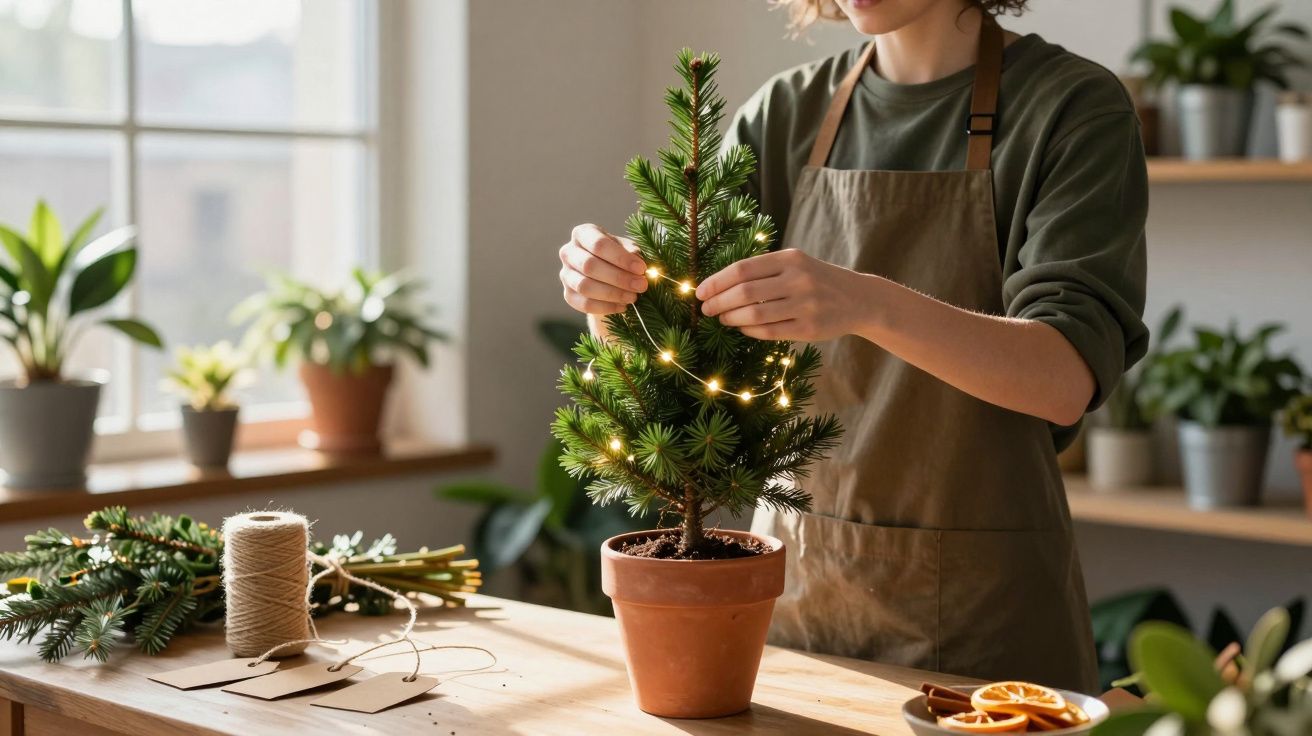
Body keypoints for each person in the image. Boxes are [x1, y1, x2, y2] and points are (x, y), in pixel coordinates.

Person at [557, 0, 1147, 692]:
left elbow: (1065, 375)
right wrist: (613, 298)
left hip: (980, 628)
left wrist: (869, 302)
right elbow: (682, 369)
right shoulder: (786, 113)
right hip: (791, 601)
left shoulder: (1071, 106)